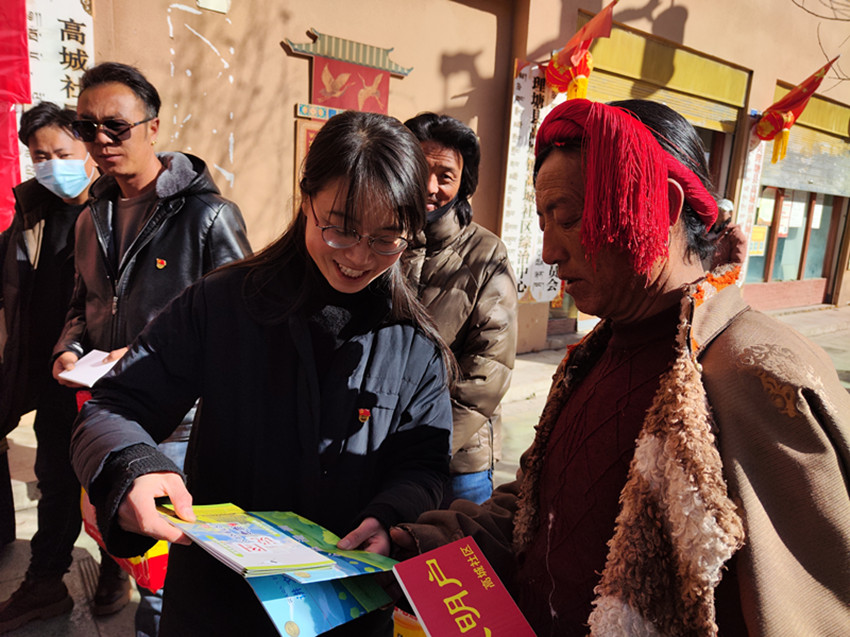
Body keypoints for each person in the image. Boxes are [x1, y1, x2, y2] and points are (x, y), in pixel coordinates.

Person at [392, 99, 850, 636]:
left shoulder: (755, 374)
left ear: (663, 204)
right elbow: (540, 511)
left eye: (568, 219)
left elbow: (805, 613)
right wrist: (422, 540)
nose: (549, 251)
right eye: (543, 223)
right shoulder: (596, 352)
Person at [69, 110, 454, 636]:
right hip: (220, 606)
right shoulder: (223, 303)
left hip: (345, 610)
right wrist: (131, 465)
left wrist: (390, 516)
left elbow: (425, 464)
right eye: (341, 228)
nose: (360, 257)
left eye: (387, 238)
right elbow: (115, 405)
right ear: (306, 198)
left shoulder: (415, 344)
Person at [51, 62, 251, 636]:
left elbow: (242, 328)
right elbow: (82, 303)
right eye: (87, 128)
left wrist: (142, 355)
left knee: (167, 582)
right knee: (135, 558)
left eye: (116, 126)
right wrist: (70, 348)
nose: (101, 140)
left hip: (179, 428)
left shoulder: (208, 217)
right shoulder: (91, 218)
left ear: (153, 127)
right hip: (109, 417)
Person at [0, 102, 102, 633]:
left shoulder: (116, 209)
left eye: (61, 152)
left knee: (110, 479)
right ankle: (46, 582)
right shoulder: (33, 212)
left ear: (87, 147)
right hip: (49, 374)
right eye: (40, 156)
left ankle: (116, 570)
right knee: (56, 479)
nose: (51, 164)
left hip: (103, 375)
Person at [402, 113, 517, 505]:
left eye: (445, 176)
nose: (430, 187)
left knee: (453, 546)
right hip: (380, 451)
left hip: (459, 461)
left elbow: (489, 368)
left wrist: (426, 445)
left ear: (463, 184)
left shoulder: (486, 254)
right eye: (420, 171)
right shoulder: (382, 241)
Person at [708, 197, 748, 270]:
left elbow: (737, 263)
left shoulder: (735, 235)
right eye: (717, 210)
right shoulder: (709, 229)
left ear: (730, 213)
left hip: (716, 275)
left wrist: (719, 272)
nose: (718, 213)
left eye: (722, 210)